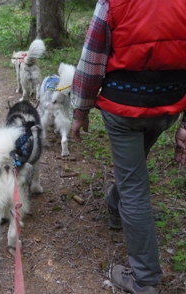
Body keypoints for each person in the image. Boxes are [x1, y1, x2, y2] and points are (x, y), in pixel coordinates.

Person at [71, 0, 186, 293]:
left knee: (133, 185)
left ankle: (144, 279)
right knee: (133, 169)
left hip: (123, 109)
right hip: (168, 107)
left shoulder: (113, 3)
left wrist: (80, 110)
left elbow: (92, 60)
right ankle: (113, 209)